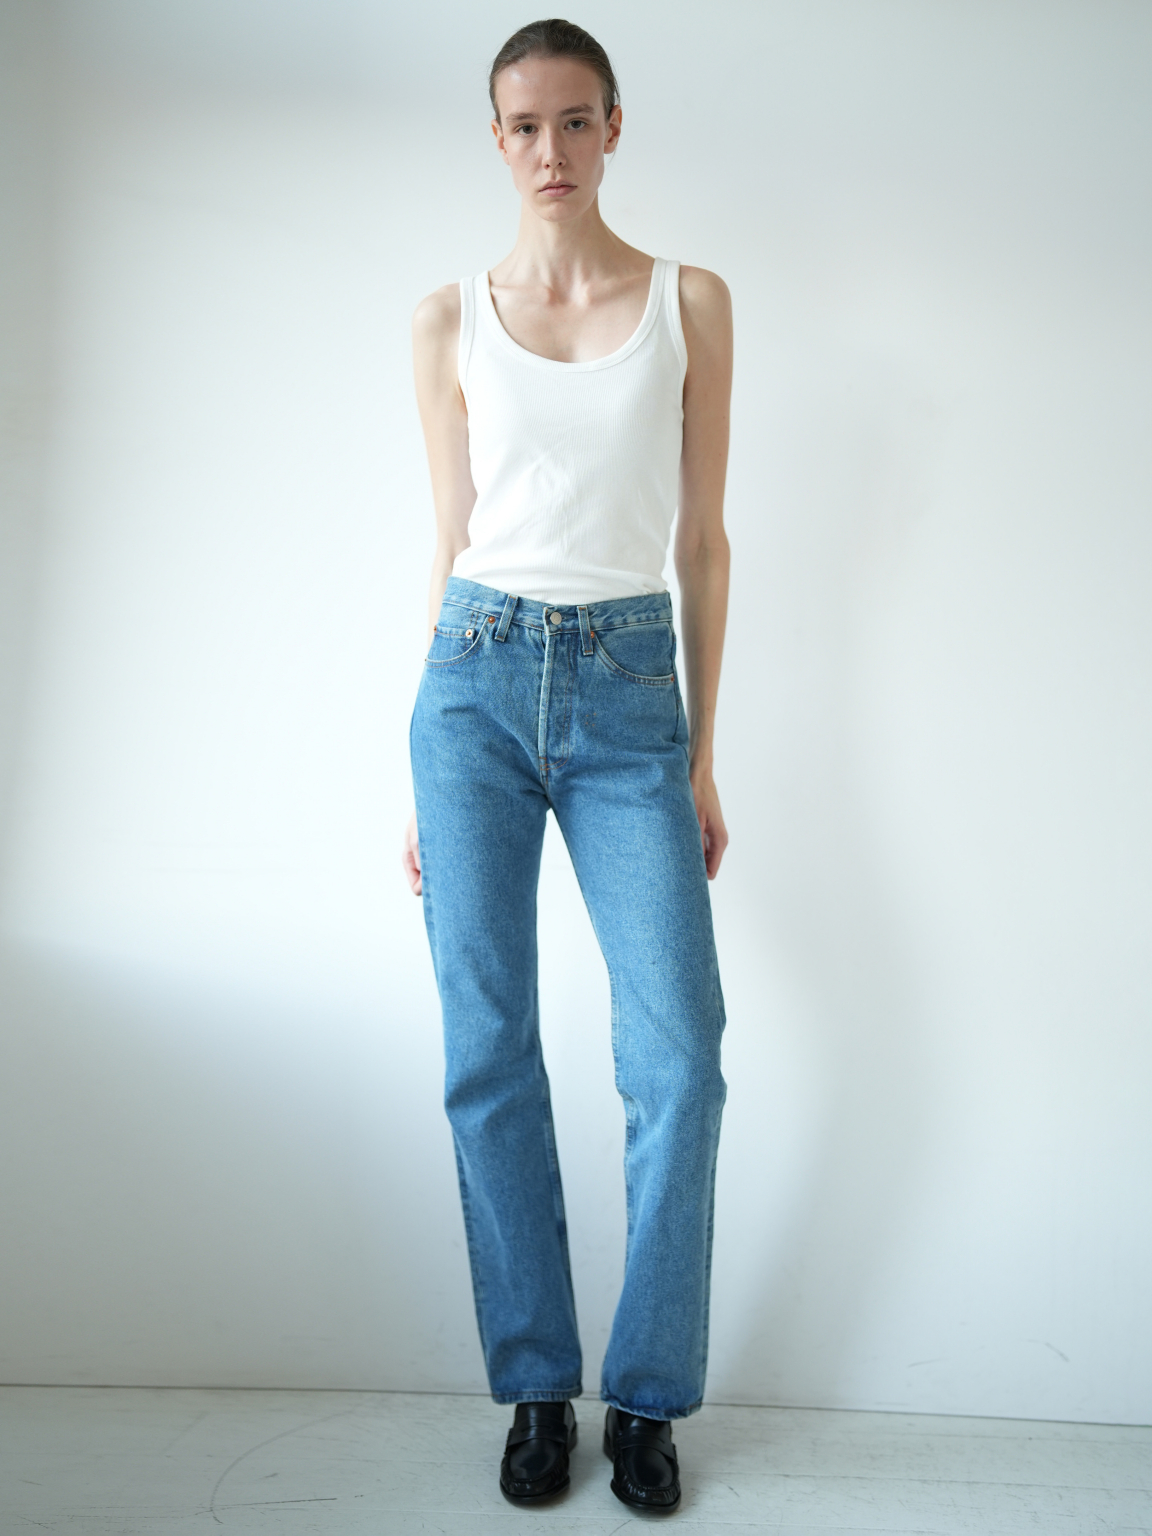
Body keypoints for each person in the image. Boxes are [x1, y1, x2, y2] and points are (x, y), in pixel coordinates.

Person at [402, 17, 732, 1515]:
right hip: (470, 685)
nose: (552, 150)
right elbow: (449, 536)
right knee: (487, 1052)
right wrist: (419, 765)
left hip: (628, 686)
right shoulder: (444, 321)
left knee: (678, 1058)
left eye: (576, 121)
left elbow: (701, 540)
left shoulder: (691, 302)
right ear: (497, 139)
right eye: (525, 126)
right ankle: (538, 1384)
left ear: (613, 129)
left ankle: (646, 1397)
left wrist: (702, 757)